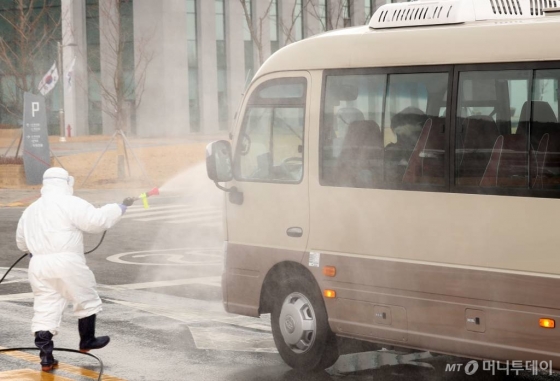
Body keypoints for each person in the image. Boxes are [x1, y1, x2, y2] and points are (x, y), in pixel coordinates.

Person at [15, 167, 135, 372]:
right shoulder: (70, 203)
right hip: (67, 261)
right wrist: (119, 207)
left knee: (46, 306)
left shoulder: (31, 210)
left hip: (39, 265)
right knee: (85, 297)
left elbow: (21, 242)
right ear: (66, 182)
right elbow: (96, 221)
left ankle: (46, 358)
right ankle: (87, 340)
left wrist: (35, 251)